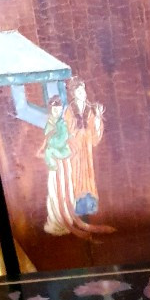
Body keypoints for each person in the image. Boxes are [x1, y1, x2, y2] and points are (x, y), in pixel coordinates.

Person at [63, 78, 105, 216]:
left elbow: (95, 136)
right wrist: (77, 135)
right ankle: (79, 206)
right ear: (73, 93)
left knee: (89, 175)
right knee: (77, 175)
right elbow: (67, 131)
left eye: (83, 90)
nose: (83, 93)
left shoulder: (90, 110)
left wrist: (98, 119)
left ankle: (91, 205)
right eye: (79, 90)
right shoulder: (69, 111)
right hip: (76, 150)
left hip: (87, 149)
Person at [39, 97, 76, 236]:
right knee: (55, 190)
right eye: (54, 109)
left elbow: (63, 140)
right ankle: (56, 221)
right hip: (54, 162)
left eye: (59, 109)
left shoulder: (62, 123)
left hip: (64, 160)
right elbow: (54, 141)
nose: (57, 111)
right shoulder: (50, 124)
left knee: (66, 189)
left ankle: (67, 219)